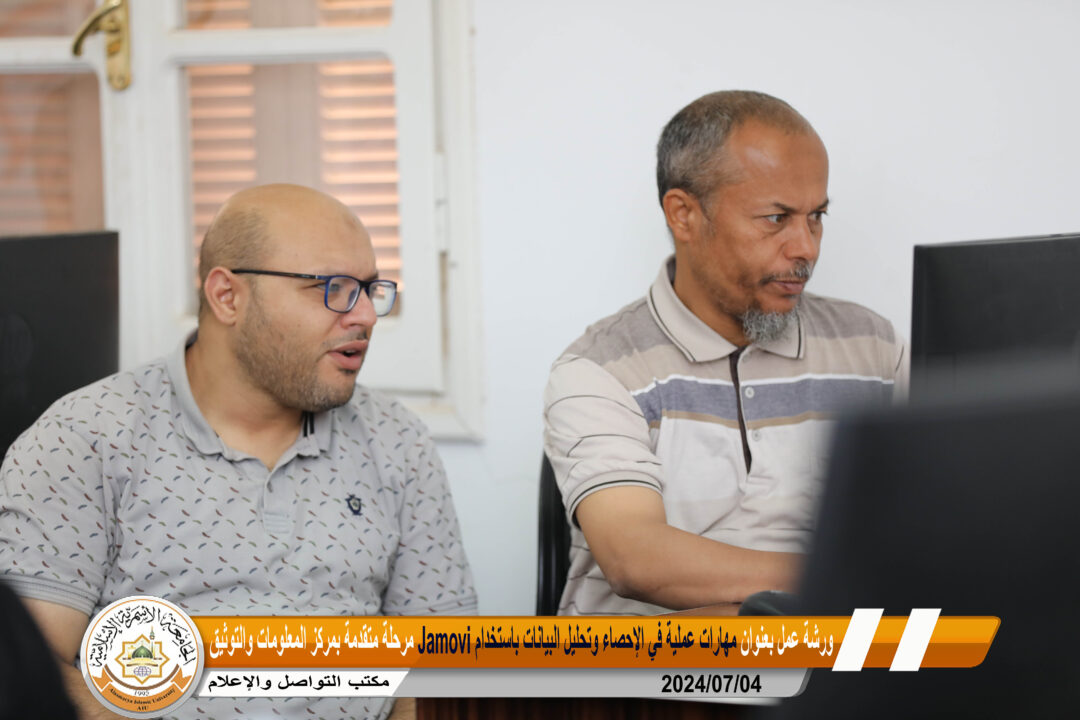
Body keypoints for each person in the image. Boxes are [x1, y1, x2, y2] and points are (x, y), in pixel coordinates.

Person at [0, 184, 476, 719]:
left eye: (369, 289)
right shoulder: (83, 438)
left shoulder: (397, 441)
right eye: (334, 288)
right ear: (227, 296)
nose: (365, 315)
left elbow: (442, 662)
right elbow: (29, 670)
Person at [543, 91, 904, 616]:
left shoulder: (874, 350)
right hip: (658, 667)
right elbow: (636, 559)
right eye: (776, 218)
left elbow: (949, 515)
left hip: (836, 656)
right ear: (684, 215)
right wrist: (840, 579)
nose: (806, 247)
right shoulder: (598, 371)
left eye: (817, 216)